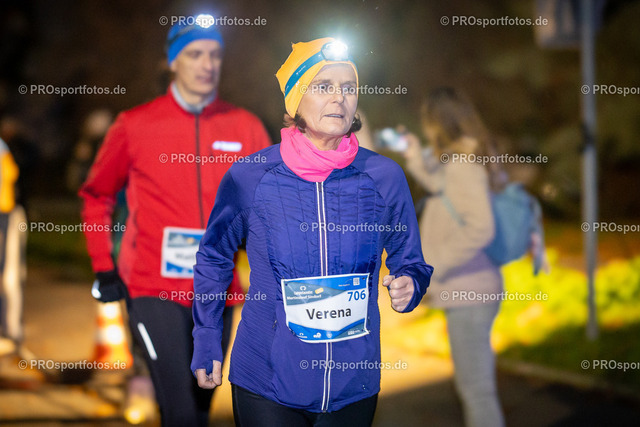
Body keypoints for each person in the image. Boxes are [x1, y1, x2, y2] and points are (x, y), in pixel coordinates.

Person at [191, 37, 433, 427]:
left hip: (353, 385)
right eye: (323, 86)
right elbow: (214, 256)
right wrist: (206, 337)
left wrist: (411, 283)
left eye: (348, 87)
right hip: (266, 383)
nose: (339, 98)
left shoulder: (383, 177)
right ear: (295, 101)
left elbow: (411, 261)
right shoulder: (251, 176)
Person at [79, 16, 271, 426]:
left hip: (218, 290)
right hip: (153, 289)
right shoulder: (135, 125)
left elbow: (268, 205)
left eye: (215, 55)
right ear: (172, 61)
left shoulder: (246, 127)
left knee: (200, 406)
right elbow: (96, 195)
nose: (207, 64)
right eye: (195, 54)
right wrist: (103, 266)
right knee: (180, 407)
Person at [403, 86, 506, 427]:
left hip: (469, 291)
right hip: (473, 288)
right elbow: (441, 189)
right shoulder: (468, 159)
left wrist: (436, 265)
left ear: (437, 123)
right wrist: (415, 158)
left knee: (476, 391)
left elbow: (481, 228)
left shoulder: (462, 164)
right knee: (476, 388)